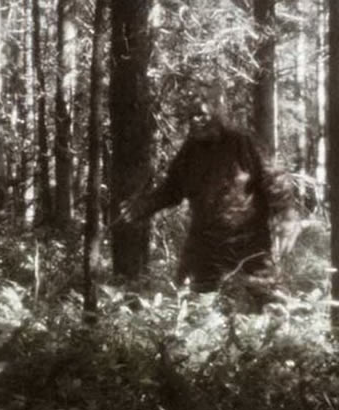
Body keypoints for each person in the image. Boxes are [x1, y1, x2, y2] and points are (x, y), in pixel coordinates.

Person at [122, 94, 300, 309]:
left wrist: (287, 215)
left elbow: (274, 178)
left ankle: (279, 326)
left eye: (201, 115)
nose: (195, 121)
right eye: (191, 117)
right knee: (193, 299)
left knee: (266, 296)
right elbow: (172, 189)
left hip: (248, 237)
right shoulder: (190, 150)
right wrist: (143, 206)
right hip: (205, 239)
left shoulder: (242, 142)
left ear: (217, 114)